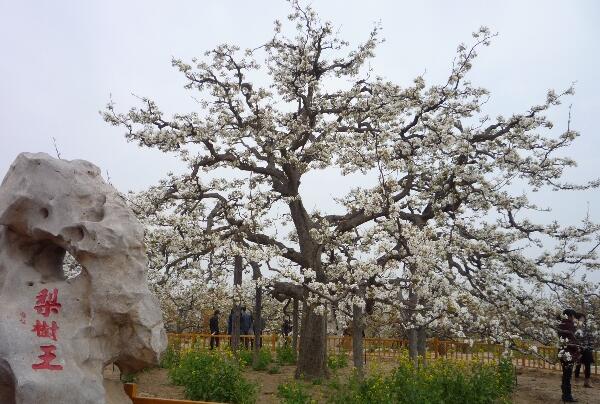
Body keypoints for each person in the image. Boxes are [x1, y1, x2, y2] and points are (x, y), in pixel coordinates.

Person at [557, 308, 582, 402]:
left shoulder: (560, 324)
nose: (574, 318)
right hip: (569, 353)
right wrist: (578, 348)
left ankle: (565, 395)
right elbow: (573, 340)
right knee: (567, 375)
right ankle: (567, 396)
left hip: (562, 352)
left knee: (565, 375)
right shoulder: (570, 325)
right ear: (571, 316)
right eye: (574, 316)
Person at [574, 314, 595, 388]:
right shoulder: (575, 328)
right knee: (578, 364)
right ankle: (576, 380)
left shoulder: (587, 328)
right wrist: (578, 347)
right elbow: (574, 339)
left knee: (588, 365)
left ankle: (587, 381)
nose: (582, 320)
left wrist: (590, 347)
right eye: (581, 318)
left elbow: (590, 338)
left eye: (583, 318)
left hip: (587, 349)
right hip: (579, 348)